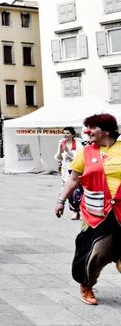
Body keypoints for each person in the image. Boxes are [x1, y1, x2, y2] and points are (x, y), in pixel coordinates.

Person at [55, 113, 121, 306]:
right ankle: (86, 283)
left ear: (106, 131)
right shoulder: (85, 152)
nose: (87, 131)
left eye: (92, 127)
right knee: (96, 251)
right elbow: (74, 179)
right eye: (87, 127)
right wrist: (61, 201)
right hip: (97, 212)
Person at [55, 127, 83, 221]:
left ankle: (77, 211)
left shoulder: (78, 144)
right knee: (69, 192)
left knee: (77, 192)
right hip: (65, 170)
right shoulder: (62, 142)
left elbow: (79, 158)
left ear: (73, 134)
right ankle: (75, 210)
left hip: (76, 170)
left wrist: (67, 150)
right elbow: (58, 157)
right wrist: (60, 149)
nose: (65, 135)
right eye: (64, 133)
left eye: (68, 133)